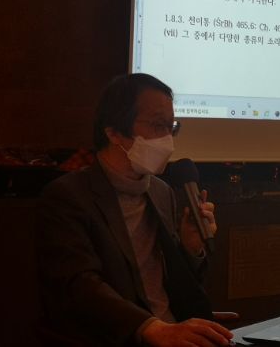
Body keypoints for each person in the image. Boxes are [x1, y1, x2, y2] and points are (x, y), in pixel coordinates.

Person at [36, 73, 234, 346]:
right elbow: (79, 286)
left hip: (173, 333)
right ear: (113, 132)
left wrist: (190, 249)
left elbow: (172, 285)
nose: (167, 139)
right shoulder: (68, 196)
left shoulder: (161, 192)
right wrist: (151, 328)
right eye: (157, 125)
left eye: (171, 127)